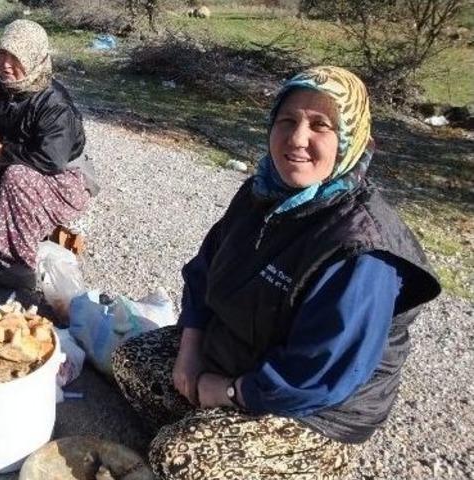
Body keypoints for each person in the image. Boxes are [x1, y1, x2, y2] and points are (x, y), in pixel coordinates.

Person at [111, 66, 441, 479]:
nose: (298, 139)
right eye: (287, 121)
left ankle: (307, 464)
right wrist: (191, 350)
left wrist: (230, 391)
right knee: (131, 362)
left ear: (351, 141)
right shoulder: (261, 193)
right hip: (240, 355)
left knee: (179, 457)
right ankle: (213, 436)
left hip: (316, 409)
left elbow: (317, 374)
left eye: (320, 126)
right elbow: (203, 272)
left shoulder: (361, 247)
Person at [0, 19, 99, 290]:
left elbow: (49, 159)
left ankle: (21, 265)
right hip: (17, 163)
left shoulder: (55, 103)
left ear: (34, 58)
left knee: (18, 177)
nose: (5, 63)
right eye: (0, 54)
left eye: (15, 56)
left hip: (63, 180)